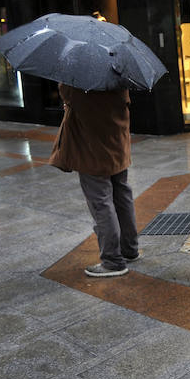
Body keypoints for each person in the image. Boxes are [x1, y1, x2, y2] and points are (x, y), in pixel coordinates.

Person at [50, 83, 139, 277]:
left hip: (92, 148)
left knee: (101, 202)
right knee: (122, 195)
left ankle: (113, 261)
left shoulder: (78, 79)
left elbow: (67, 94)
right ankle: (129, 249)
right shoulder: (117, 71)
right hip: (117, 144)